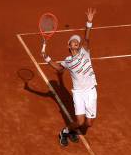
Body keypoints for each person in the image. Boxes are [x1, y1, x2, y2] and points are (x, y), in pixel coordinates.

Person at [42, 8, 98, 146]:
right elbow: (59, 68)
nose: (76, 42)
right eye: (74, 41)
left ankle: (73, 131)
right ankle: (65, 131)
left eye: (77, 42)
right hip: (78, 93)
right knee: (79, 121)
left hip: (91, 91)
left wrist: (89, 22)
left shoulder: (85, 52)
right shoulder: (68, 61)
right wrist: (47, 58)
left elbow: (87, 38)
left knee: (89, 124)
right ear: (69, 45)